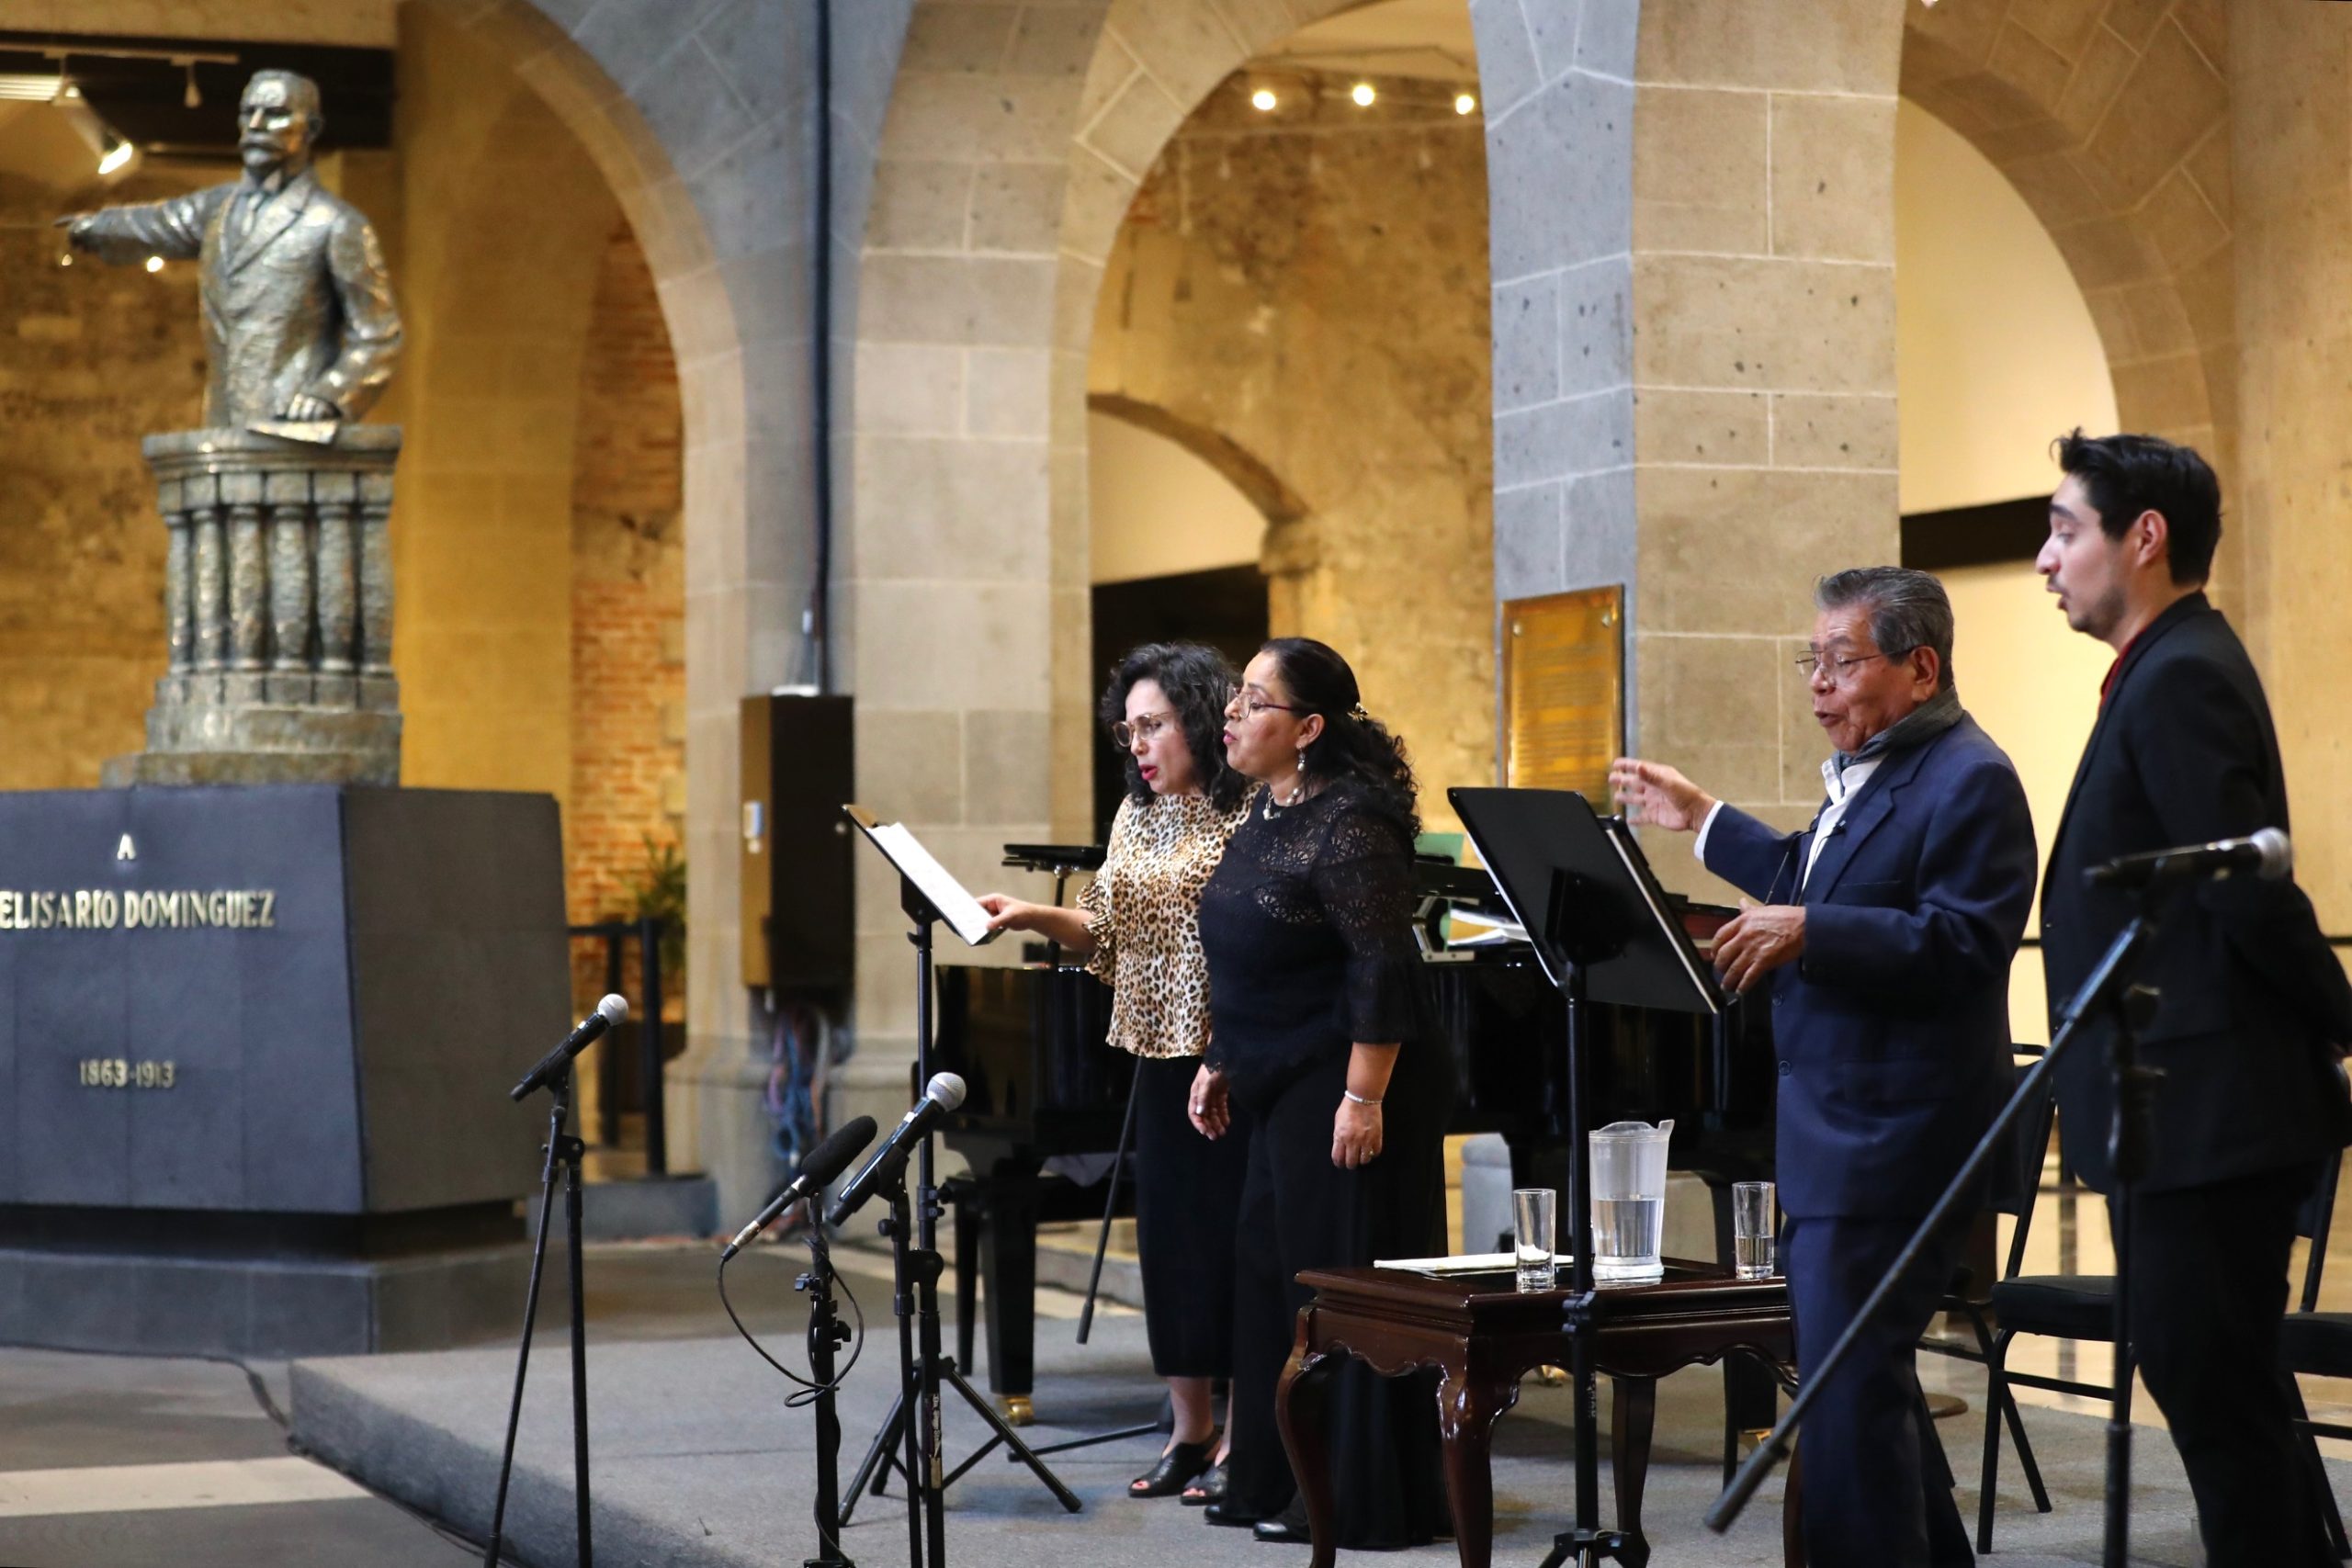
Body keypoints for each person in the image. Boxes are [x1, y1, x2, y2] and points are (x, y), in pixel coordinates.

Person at [1610, 567, 2035, 1568]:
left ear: (1919, 666)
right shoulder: (1878, 773)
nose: (1818, 685)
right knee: (1861, 1383)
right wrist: (1704, 818)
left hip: (1898, 1134)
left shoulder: (1969, 776)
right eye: (1814, 662)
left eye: (1844, 662)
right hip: (1835, 1127)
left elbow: (1965, 944)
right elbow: (1818, 875)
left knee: (1846, 1391)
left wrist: (1813, 929)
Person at [2035, 431, 2352, 1568]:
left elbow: (2246, 890)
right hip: (2176, 1108)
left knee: (2212, 1390)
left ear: (2145, 538)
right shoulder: (2166, 669)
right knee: (2214, 1387)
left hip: (2211, 1111)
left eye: (2066, 529)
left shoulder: (2181, 677)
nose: (2044, 557)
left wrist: (2339, 1015)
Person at [1191, 637, 1452, 1550]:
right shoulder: (1262, 812)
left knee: (1337, 1293)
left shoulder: (1351, 825)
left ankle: (1353, 1493)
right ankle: (1279, 1475)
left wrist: (1364, 1097)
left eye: (1252, 701)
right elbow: (1251, 959)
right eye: (1234, 698)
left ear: (1305, 727)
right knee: (1271, 1284)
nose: (1230, 714)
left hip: (1346, 1088)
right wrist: (1220, 1056)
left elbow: (1382, 968)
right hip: (1275, 1082)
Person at [976, 643, 1252, 1504]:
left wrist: (1230, 1053)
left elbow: (1263, 944)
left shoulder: (1247, 813)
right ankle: (1189, 1427)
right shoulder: (1136, 816)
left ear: (1200, 720)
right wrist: (1031, 913)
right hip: (1153, 1050)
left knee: (1236, 1244)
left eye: (1154, 725)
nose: (1137, 744)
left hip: (1230, 1055)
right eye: (1127, 729)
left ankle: (1245, 1440)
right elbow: (1104, 928)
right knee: (1170, 1241)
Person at [61, 69, 401, 426]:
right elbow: (158, 223)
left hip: (296, 427)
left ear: (312, 128)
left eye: (275, 114)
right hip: (224, 424)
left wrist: (330, 395)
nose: (256, 124)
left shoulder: (335, 223)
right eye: (248, 112)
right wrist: (94, 226)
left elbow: (378, 333)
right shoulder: (217, 209)